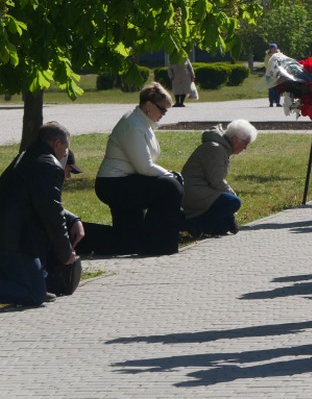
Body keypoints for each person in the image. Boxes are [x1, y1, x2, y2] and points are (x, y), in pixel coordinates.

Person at [95, 83, 184, 255]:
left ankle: (75, 235)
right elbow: (144, 167)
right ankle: (158, 245)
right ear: (149, 105)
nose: (164, 114)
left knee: (127, 243)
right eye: (162, 110)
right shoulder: (134, 125)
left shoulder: (143, 122)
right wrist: (170, 176)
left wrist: (169, 175)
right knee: (170, 188)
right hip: (114, 184)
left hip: (124, 181)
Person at [0, 123, 83, 306]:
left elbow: (39, 201)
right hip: (14, 242)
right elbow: (51, 214)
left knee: (38, 285)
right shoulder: (48, 166)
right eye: (66, 148)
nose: (65, 154)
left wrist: (73, 219)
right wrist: (66, 252)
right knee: (35, 295)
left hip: (12, 234)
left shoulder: (26, 157)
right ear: (56, 144)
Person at [180, 120, 256, 237]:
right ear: (234, 138)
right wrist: (233, 195)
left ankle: (201, 225)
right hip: (193, 192)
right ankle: (190, 223)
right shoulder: (216, 148)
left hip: (202, 190)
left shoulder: (222, 148)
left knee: (222, 228)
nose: (245, 148)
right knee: (233, 202)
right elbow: (216, 181)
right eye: (245, 143)